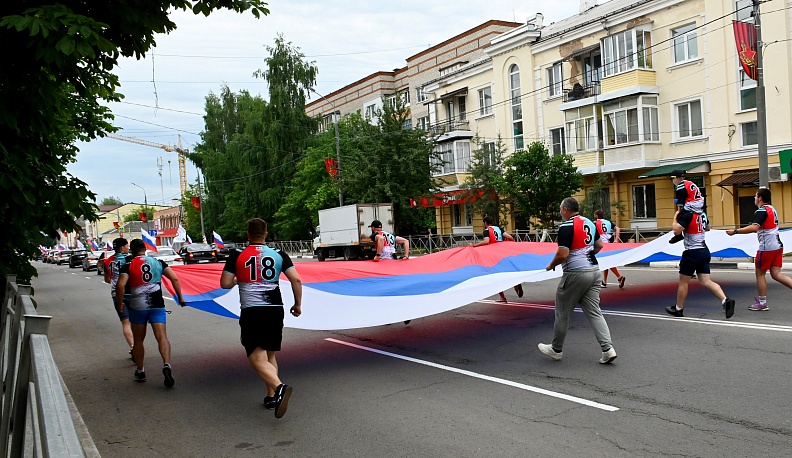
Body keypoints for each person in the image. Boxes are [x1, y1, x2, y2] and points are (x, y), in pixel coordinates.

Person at [220, 218, 302, 419]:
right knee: (270, 355)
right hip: (275, 308)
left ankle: (279, 387)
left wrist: (239, 279)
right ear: (266, 233)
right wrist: (297, 304)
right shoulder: (279, 255)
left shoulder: (237, 255)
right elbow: (296, 279)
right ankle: (271, 396)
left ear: (248, 234)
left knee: (256, 356)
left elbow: (225, 283)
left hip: (252, 309)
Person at [538, 197, 617, 364]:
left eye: (561, 209)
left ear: (566, 209)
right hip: (595, 271)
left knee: (562, 312)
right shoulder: (589, 223)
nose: (560, 212)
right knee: (595, 312)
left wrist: (551, 265)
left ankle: (556, 349)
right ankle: (608, 349)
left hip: (575, 273)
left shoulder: (566, 226)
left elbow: (563, 254)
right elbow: (599, 246)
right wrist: (587, 255)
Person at [116, 239, 186, 387]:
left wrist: (120, 302)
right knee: (162, 337)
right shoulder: (158, 262)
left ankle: (141, 371)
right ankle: (167, 364)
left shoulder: (128, 265)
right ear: (145, 248)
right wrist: (180, 297)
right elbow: (174, 278)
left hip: (137, 306)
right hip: (157, 305)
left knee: (139, 340)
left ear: (132, 250)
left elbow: (120, 285)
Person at [726, 188, 792, 311]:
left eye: (756, 195)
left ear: (760, 198)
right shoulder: (772, 209)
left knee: (760, 274)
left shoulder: (761, 211)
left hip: (766, 248)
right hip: (777, 246)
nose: (754, 198)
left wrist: (735, 231)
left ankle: (762, 303)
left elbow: (754, 227)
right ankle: (762, 302)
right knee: (776, 274)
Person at [666, 209, 735, 319]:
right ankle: (725, 301)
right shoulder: (701, 213)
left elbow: (676, 231)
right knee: (706, 281)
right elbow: (707, 228)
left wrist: (675, 217)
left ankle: (678, 309)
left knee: (683, 281)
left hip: (692, 252)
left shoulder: (687, 214)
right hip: (704, 250)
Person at [473, 215, 523, 302]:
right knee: (509, 270)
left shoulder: (486, 231)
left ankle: (502, 297)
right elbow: (510, 237)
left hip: (493, 255)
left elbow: (486, 241)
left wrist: (474, 245)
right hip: (502, 252)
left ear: (485, 223)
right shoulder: (499, 229)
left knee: (496, 275)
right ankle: (517, 284)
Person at [104, 237, 134, 359]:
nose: (128, 248)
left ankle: (133, 347)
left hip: (116, 295)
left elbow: (106, 279)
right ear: (122, 247)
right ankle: (137, 347)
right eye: (127, 246)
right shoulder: (128, 259)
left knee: (125, 322)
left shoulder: (107, 261)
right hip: (131, 292)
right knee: (136, 322)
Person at [668, 170, 704, 244]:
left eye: (672, 179)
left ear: (676, 178)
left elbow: (680, 202)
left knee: (680, 215)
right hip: (699, 204)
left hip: (692, 204)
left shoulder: (681, 186)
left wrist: (678, 213)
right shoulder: (689, 183)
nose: (672, 181)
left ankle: (679, 235)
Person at [593, 210, 626, 289]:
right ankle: (604, 282)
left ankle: (619, 277)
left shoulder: (595, 223)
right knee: (606, 262)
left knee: (607, 262)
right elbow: (618, 229)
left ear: (597, 216)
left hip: (601, 244)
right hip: (609, 242)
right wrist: (616, 240)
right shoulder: (608, 222)